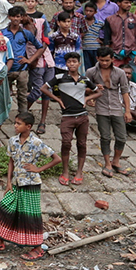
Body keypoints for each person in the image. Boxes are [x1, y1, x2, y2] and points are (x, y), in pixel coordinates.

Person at [0, 114, 59, 261]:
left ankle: (37, 248)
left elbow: (57, 159)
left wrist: (38, 169)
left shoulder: (36, 142)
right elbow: (11, 161)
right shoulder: (13, 141)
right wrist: (9, 182)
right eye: (15, 123)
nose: (15, 126)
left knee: (30, 217)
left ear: (28, 127)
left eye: (19, 124)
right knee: (5, 208)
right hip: (17, 183)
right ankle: (0, 241)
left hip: (31, 184)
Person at [41, 51, 101, 186]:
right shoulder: (59, 77)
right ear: (66, 64)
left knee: (82, 144)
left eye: (74, 62)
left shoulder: (84, 80)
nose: (72, 64)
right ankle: (65, 171)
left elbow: (99, 92)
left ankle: (79, 172)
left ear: (79, 64)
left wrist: (87, 98)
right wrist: (58, 100)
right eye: (69, 62)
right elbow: (44, 88)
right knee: (66, 143)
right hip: (67, 117)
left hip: (83, 116)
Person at [87, 47, 132, 178]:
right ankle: (107, 163)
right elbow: (84, 88)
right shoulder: (91, 72)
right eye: (102, 60)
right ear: (97, 59)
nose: (105, 63)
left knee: (121, 137)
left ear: (112, 59)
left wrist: (127, 111)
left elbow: (125, 91)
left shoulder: (119, 73)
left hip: (116, 106)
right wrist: (95, 89)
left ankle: (116, 161)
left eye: (107, 60)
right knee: (105, 136)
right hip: (101, 107)